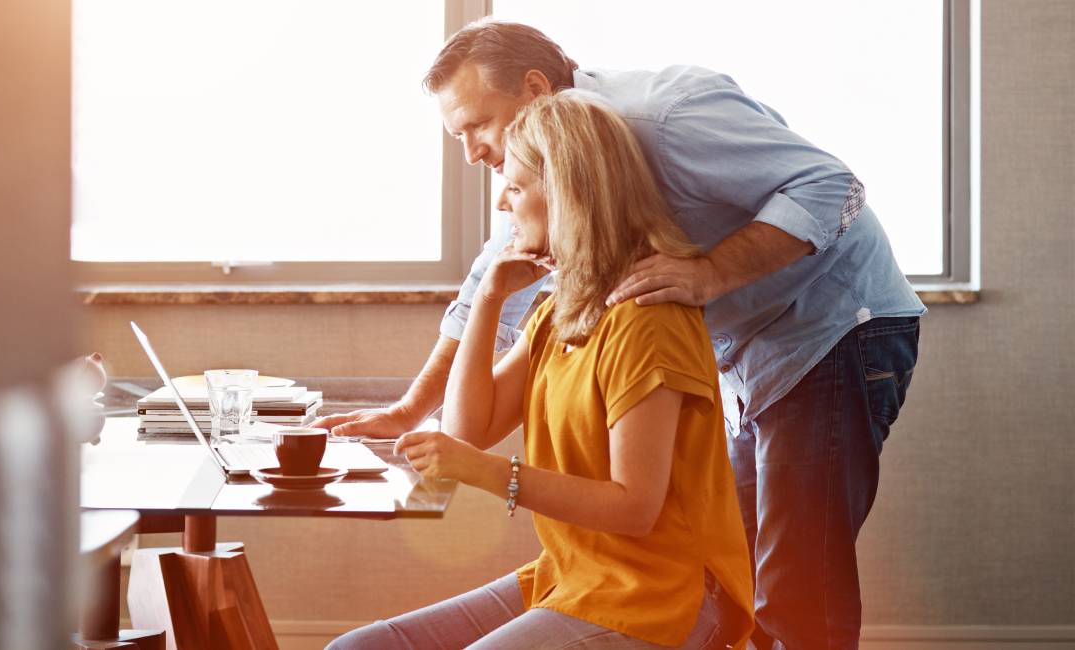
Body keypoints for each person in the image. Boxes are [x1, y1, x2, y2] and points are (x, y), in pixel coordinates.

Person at [311, 20, 924, 649]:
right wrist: (416, 408)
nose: (472, 155)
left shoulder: (665, 117)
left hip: (833, 323)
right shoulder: (552, 194)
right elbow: (484, 294)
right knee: (735, 567)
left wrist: (710, 272)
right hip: (739, 355)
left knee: (794, 578)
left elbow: (834, 188)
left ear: (534, 88)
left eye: (476, 126)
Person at [329, 91, 753, 650]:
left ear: (566, 195)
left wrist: (487, 472)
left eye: (517, 186)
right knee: (356, 648)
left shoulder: (649, 319)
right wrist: (486, 299)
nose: (503, 204)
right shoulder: (560, 311)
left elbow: (635, 507)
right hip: (575, 577)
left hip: (660, 598)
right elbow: (465, 430)